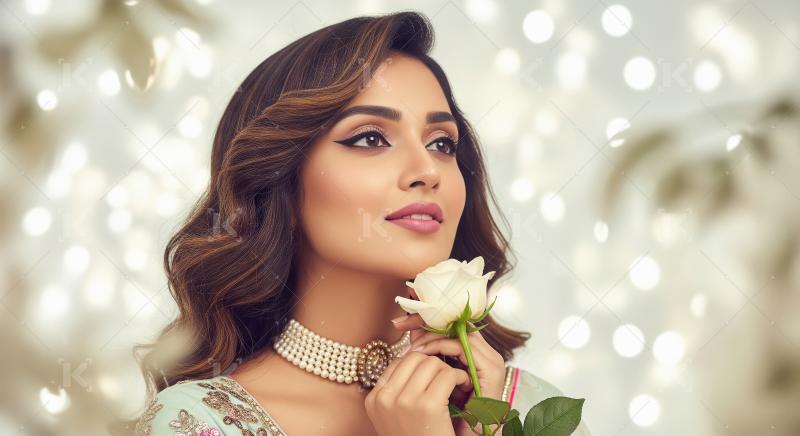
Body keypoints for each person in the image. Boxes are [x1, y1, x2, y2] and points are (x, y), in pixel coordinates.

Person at [131, 11, 591, 436]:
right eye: (371, 138)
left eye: (441, 144)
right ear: (281, 185)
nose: (427, 170)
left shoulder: (524, 407)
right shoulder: (197, 422)